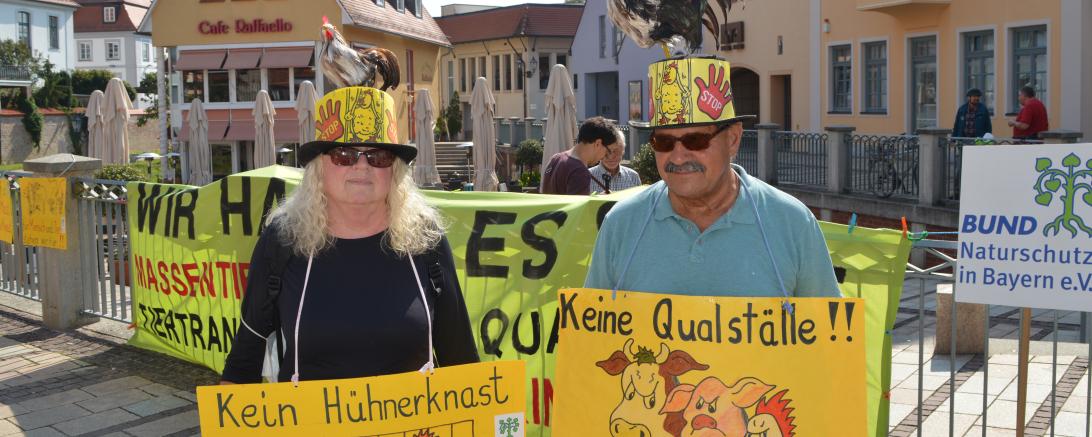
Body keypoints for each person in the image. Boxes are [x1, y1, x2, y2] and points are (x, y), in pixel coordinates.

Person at [222, 86, 478, 384]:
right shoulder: (283, 240)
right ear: (319, 167)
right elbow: (244, 359)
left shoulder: (425, 240)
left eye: (378, 156)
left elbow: (461, 360)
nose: (361, 165)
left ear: (393, 170)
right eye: (344, 154)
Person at [585, 56, 840, 298]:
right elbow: (589, 337)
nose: (678, 157)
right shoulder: (621, 224)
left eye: (696, 140)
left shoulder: (793, 223)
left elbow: (831, 338)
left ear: (733, 139)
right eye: (663, 141)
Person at [540, 116, 616, 195]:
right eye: (607, 151)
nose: (604, 157)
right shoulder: (579, 171)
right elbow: (578, 207)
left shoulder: (556, 158)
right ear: (598, 144)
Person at [589, 128, 643, 194]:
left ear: (623, 151)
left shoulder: (633, 177)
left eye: (616, 151)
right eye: (607, 152)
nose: (611, 156)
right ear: (599, 151)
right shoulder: (587, 177)